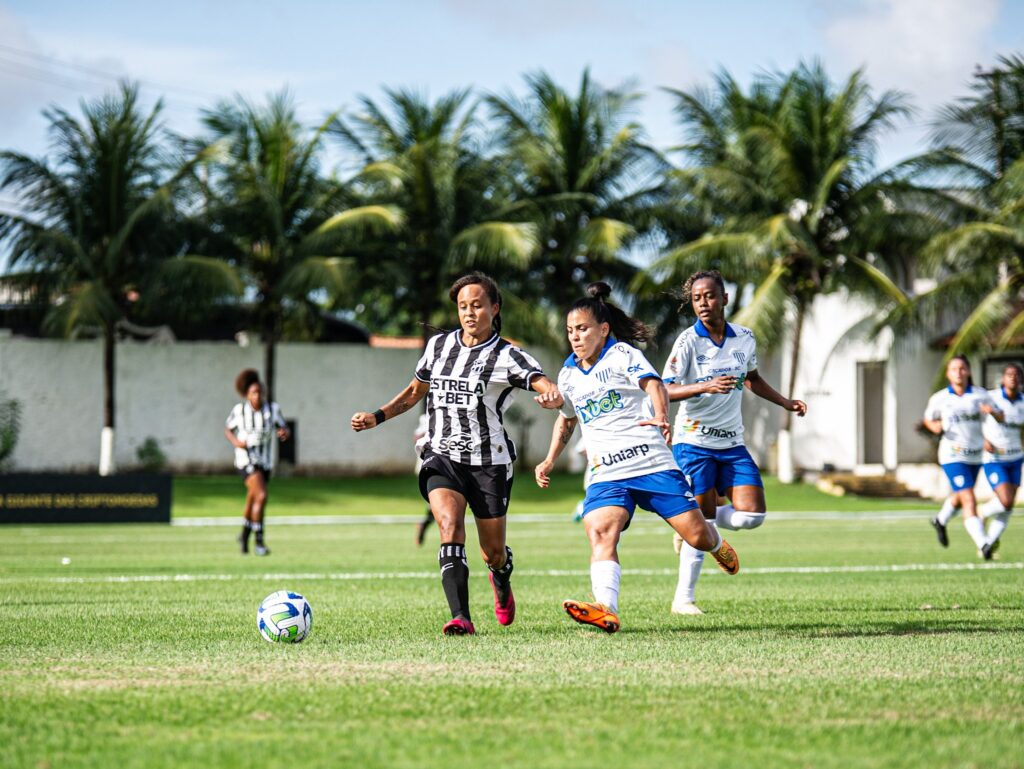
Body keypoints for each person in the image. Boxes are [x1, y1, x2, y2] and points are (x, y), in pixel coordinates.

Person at [352, 272, 563, 636]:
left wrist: (551, 395)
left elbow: (541, 382)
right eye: (463, 306)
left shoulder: (506, 355)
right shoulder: (439, 347)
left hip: (489, 463)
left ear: (494, 309)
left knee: (492, 553)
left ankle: (501, 574)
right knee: (449, 526)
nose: (469, 312)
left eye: (477, 305)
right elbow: (415, 391)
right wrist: (378, 416)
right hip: (442, 454)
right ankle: (461, 617)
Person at [534, 282, 738, 634]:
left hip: (651, 464)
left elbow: (655, 385)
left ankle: (717, 543)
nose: (575, 337)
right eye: (570, 331)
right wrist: (550, 458)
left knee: (697, 537)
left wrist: (661, 417)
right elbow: (567, 418)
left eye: (582, 329)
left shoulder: (622, 356)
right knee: (600, 531)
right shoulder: (567, 374)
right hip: (606, 473)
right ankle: (606, 609)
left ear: (603, 329)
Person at [663, 270, 806, 615]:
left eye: (709, 296)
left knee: (753, 515)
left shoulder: (745, 337)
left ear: (724, 298)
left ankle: (690, 526)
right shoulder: (687, 342)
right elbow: (664, 389)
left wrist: (785, 402)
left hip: (731, 443)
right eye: (697, 299)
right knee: (706, 520)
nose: (703, 304)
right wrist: (703, 386)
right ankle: (684, 599)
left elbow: (752, 379)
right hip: (693, 441)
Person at [925, 355, 1004, 555]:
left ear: (968, 371)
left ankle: (940, 520)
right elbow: (929, 419)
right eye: (954, 369)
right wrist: (935, 426)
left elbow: (997, 417)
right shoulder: (940, 398)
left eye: (962, 368)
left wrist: (991, 425)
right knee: (969, 498)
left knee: (960, 496)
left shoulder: (980, 395)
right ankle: (983, 544)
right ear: (948, 374)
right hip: (952, 454)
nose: (958, 372)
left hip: (975, 454)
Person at [224, 369, 289, 556]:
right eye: (254, 392)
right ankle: (259, 541)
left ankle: (244, 535)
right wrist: (237, 442)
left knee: (253, 498)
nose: (257, 396)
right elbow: (228, 429)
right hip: (246, 460)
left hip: (265, 461)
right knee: (261, 495)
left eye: (260, 392)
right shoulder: (240, 410)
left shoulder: (272, 410)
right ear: (247, 394)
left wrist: (284, 433)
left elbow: (283, 428)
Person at [978, 363, 1023, 558]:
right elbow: (972, 421)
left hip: (1016, 457)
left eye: (1016, 375)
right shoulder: (991, 397)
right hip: (995, 458)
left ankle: (987, 545)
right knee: (1005, 500)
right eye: (1009, 374)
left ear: (1020, 379)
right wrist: (982, 440)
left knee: (1009, 504)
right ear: (1003, 379)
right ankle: (982, 512)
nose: (1012, 378)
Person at [413, 412, 434, 546]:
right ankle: (424, 524)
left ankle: (423, 524)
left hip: (445, 462)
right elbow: (416, 436)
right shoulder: (427, 417)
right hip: (429, 462)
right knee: (437, 502)